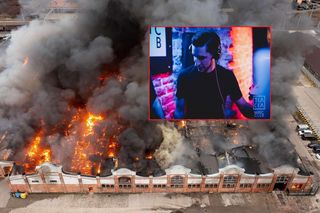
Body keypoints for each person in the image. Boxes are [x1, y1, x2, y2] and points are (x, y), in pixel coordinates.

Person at [174, 31, 253, 119]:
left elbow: (245, 108)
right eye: (194, 56)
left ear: (215, 55)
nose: (196, 63)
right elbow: (179, 112)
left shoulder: (227, 76)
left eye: (201, 58)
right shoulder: (184, 76)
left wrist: (259, 106)